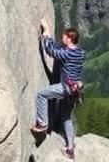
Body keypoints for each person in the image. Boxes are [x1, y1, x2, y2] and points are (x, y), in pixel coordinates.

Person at [31, 18, 86, 158]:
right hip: (75, 91)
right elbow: (59, 49)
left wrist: (46, 33)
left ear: (69, 38)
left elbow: (52, 52)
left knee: (41, 94)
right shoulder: (80, 52)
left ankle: (42, 123)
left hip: (66, 88)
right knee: (66, 118)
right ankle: (70, 149)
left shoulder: (67, 54)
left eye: (64, 36)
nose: (62, 38)